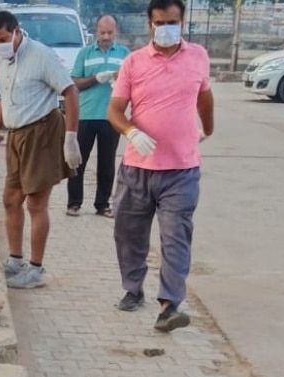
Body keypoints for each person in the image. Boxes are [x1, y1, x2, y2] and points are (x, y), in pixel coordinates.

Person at [107, 0, 213, 333]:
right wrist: (131, 131)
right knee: (128, 235)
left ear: (182, 22)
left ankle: (169, 305)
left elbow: (205, 98)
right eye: (159, 22)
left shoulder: (198, 56)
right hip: (137, 167)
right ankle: (132, 287)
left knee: (176, 237)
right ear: (149, 24)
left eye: (173, 21)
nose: (166, 27)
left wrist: (207, 129)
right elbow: (115, 110)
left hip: (181, 171)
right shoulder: (134, 62)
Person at [0, 9, 82, 290]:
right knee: (11, 200)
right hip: (15, 137)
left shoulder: (42, 55)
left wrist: (71, 137)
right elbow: (7, 100)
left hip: (42, 134)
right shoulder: (3, 58)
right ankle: (16, 261)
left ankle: (36, 270)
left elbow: (70, 92)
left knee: (36, 204)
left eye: (2, 38)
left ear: (17, 31)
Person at [66, 15, 128, 217]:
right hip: (85, 114)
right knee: (77, 161)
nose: (106, 36)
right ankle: (74, 202)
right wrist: (95, 78)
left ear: (116, 31)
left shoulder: (125, 54)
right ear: (96, 31)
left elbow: (133, 83)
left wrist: (119, 81)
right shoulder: (85, 53)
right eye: (102, 32)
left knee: (107, 162)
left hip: (111, 116)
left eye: (110, 32)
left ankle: (102, 204)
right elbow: (75, 83)